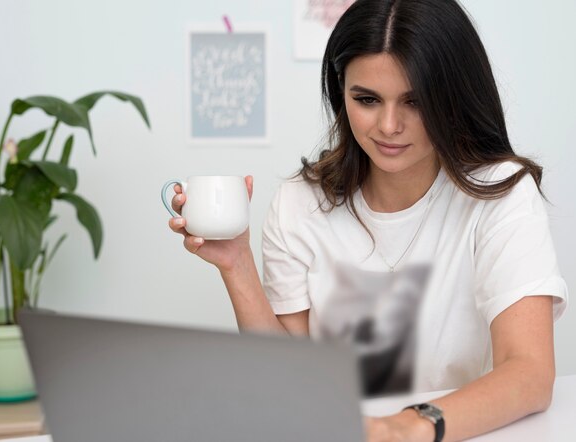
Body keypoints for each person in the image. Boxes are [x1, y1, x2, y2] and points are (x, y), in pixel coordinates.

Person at [168, 0, 568, 440]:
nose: (389, 125)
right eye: (367, 100)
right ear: (341, 92)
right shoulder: (299, 204)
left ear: (452, 98)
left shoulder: (499, 194)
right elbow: (289, 378)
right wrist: (236, 264)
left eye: (415, 101)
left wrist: (405, 428)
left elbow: (529, 374)